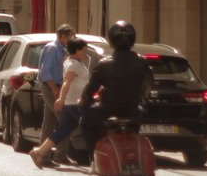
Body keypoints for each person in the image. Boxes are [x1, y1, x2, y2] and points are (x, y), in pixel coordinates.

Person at [78, 20, 155, 154]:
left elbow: (90, 89)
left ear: (111, 40)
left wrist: (84, 101)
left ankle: (93, 159)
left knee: (85, 123)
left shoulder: (104, 64)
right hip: (133, 110)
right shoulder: (141, 61)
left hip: (107, 109)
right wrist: (141, 98)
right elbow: (149, 84)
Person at [29, 38, 91, 168]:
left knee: (62, 131)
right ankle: (97, 162)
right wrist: (61, 99)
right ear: (77, 51)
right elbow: (67, 83)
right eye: (84, 50)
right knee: (92, 128)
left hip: (72, 103)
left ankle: (39, 152)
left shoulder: (75, 62)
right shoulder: (73, 64)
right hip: (75, 104)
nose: (86, 52)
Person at [36, 24, 75, 166]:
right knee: (65, 120)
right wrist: (54, 88)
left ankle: (43, 155)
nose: (72, 38)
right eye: (70, 36)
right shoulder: (53, 48)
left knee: (49, 121)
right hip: (50, 86)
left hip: (54, 86)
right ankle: (59, 154)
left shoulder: (62, 49)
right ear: (61, 36)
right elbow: (45, 72)